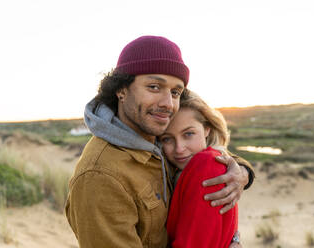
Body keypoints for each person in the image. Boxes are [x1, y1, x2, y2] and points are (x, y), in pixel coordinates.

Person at [65, 35, 254, 248]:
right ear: (121, 89)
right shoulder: (101, 177)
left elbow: (200, 153)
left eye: (175, 92)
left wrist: (243, 172)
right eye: (154, 87)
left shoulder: (156, 139)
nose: (168, 104)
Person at [162, 89, 239, 248]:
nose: (179, 148)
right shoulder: (182, 170)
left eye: (188, 134)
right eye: (167, 139)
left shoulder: (207, 165)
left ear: (207, 129)